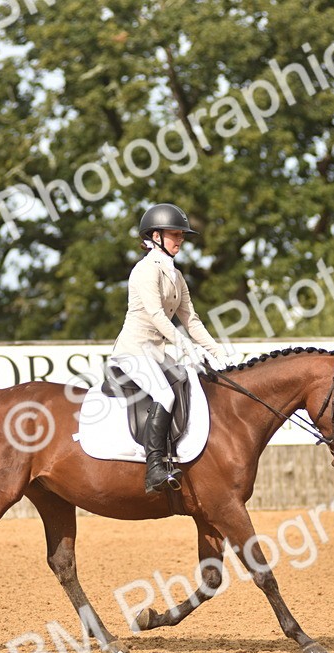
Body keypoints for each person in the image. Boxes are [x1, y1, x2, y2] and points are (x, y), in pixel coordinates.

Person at [109, 203, 230, 493]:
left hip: (157, 353)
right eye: (174, 234)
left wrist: (217, 351)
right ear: (155, 236)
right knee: (164, 393)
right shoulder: (144, 270)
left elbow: (191, 318)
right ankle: (154, 468)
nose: (180, 240)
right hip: (133, 351)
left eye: (181, 235)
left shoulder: (175, 275)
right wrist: (186, 347)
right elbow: (157, 315)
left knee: (190, 383)